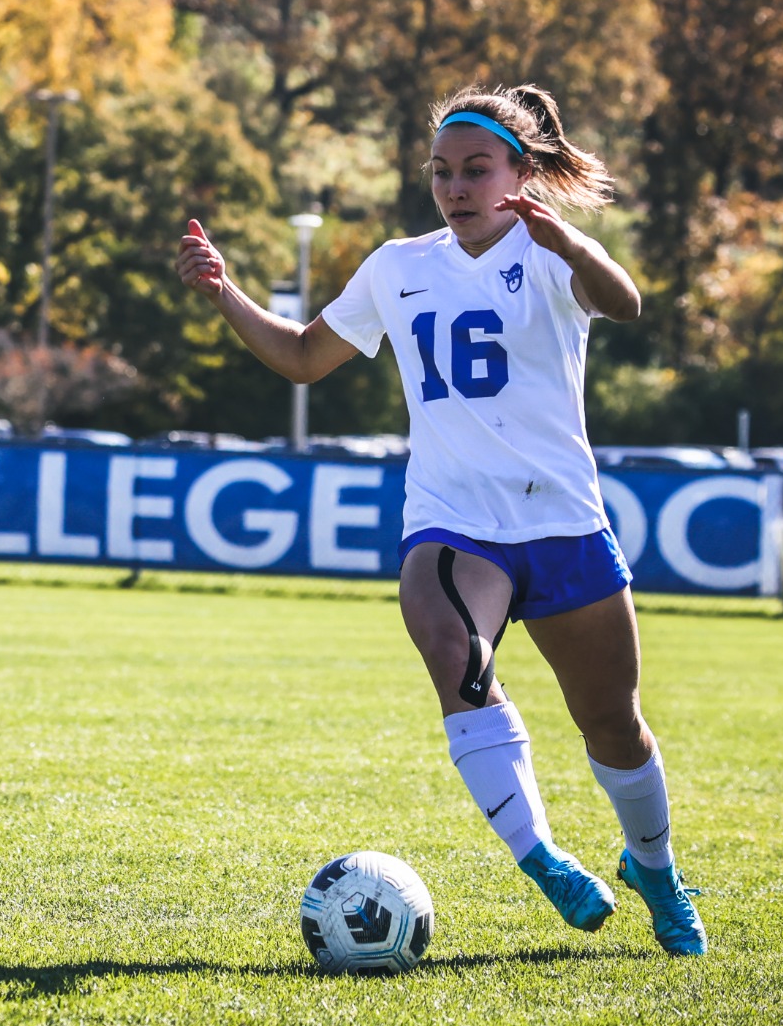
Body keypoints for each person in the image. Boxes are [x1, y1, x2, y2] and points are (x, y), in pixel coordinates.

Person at [176, 84, 707, 957]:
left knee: (613, 723)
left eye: (476, 169)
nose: (455, 187)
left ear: (520, 174)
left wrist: (568, 240)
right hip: (454, 521)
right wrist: (224, 291)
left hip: (562, 522)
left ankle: (655, 868)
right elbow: (304, 356)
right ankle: (541, 857)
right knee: (456, 657)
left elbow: (626, 304)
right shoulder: (398, 265)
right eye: (441, 171)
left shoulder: (550, 250)